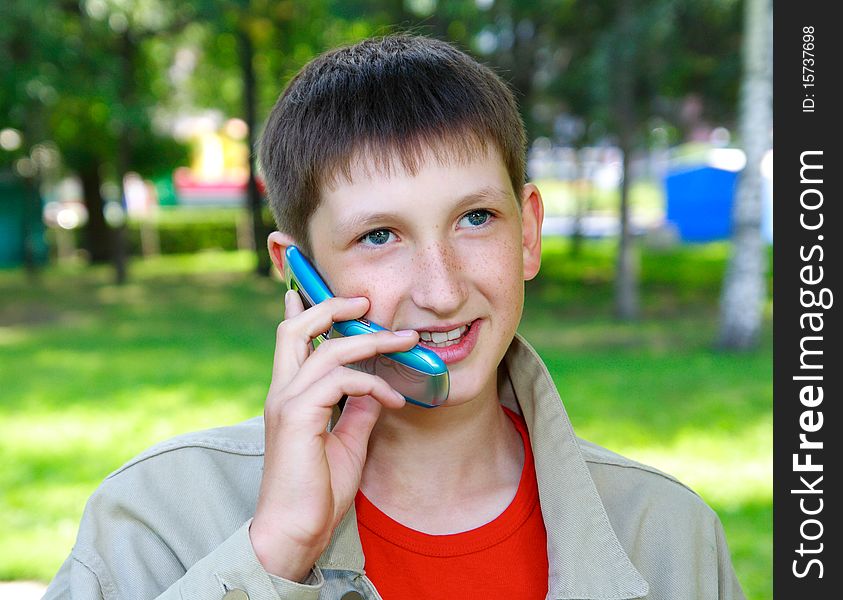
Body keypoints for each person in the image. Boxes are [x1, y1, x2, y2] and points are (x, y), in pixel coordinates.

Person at [44, 34, 744, 600]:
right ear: (301, 271)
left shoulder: (667, 535)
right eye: (379, 236)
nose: (440, 291)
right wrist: (272, 556)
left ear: (526, 232)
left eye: (475, 218)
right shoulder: (156, 515)